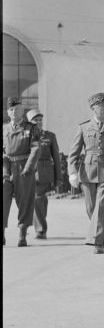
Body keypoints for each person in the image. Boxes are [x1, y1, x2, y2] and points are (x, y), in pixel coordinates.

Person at [68, 92, 104, 254]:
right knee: (91, 207)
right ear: (93, 108)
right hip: (88, 171)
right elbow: (73, 153)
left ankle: (98, 242)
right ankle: (101, 230)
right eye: (101, 106)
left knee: (101, 205)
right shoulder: (83, 127)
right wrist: (72, 172)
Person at [3, 97, 40, 246]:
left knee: (25, 201)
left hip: (23, 167)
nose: (14, 112)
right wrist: (4, 169)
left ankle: (22, 234)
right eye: (11, 109)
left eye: (17, 109)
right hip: (7, 167)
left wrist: (28, 168)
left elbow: (36, 148)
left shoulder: (31, 128)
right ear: (7, 111)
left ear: (22, 110)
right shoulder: (4, 129)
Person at [26, 108, 62, 239]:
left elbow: (56, 158)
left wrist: (59, 177)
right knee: (38, 199)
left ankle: (41, 229)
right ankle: (38, 228)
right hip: (29, 172)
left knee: (39, 198)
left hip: (44, 172)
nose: (39, 122)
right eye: (35, 120)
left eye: (40, 120)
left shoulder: (49, 136)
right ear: (29, 122)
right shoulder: (24, 136)